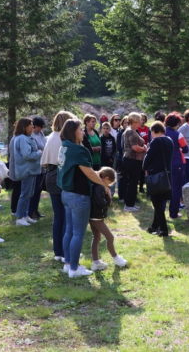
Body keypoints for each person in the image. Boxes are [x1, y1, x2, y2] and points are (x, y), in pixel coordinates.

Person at [57, 119, 110, 278]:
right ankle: (74, 268)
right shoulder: (78, 150)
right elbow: (89, 172)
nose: (83, 132)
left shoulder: (64, 146)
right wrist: (104, 185)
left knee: (69, 231)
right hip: (79, 196)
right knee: (78, 233)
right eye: (81, 129)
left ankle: (68, 264)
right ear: (73, 132)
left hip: (66, 194)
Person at [41, 111, 76, 262]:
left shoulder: (51, 137)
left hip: (50, 175)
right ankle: (64, 251)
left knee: (58, 216)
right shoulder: (62, 138)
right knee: (66, 216)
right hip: (61, 176)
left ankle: (58, 252)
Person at [89, 167, 127, 270]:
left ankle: (96, 262)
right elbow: (102, 204)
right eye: (109, 183)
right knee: (110, 237)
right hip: (96, 217)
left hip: (94, 216)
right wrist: (108, 197)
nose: (109, 185)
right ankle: (116, 258)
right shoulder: (100, 187)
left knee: (97, 238)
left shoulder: (98, 186)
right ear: (106, 178)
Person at [143, 121, 174, 236]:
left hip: (156, 176)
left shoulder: (156, 141)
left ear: (153, 131)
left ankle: (164, 229)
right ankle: (154, 226)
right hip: (167, 175)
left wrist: (144, 166)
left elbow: (148, 158)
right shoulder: (169, 140)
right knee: (160, 202)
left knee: (157, 202)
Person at [12, 118, 42, 226]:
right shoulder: (22, 139)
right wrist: (39, 153)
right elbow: (27, 155)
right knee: (25, 194)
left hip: (32, 170)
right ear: (24, 126)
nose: (32, 127)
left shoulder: (27, 138)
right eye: (30, 125)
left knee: (30, 193)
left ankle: (25, 215)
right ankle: (20, 217)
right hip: (27, 170)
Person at [165, 112, 188, 219]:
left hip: (164, 164)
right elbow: (186, 149)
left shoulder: (161, 132)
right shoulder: (178, 134)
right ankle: (173, 213)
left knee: (164, 188)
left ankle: (160, 212)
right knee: (176, 189)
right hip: (177, 163)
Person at [122, 113, 147, 211]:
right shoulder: (130, 131)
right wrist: (144, 149)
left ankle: (131, 203)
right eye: (139, 120)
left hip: (135, 160)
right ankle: (128, 205)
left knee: (133, 182)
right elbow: (135, 147)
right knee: (132, 182)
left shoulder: (133, 130)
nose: (141, 122)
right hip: (131, 160)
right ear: (135, 121)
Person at [28, 117, 47, 220]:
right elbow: (38, 148)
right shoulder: (31, 136)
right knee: (34, 190)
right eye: (40, 127)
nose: (41, 129)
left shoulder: (41, 134)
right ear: (35, 126)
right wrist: (42, 150)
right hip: (36, 165)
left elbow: (44, 144)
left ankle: (35, 210)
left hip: (42, 164)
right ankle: (30, 211)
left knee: (39, 190)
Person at [116, 116, 129, 202]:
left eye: (128, 123)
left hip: (130, 159)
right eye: (125, 123)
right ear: (122, 124)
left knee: (129, 178)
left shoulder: (134, 132)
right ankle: (121, 196)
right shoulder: (120, 133)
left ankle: (129, 195)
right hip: (122, 158)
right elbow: (119, 147)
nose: (127, 124)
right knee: (122, 177)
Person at [137, 113, 150, 193]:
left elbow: (149, 139)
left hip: (145, 151)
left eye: (144, 120)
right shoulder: (137, 129)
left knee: (143, 169)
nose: (142, 121)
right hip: (138, 150)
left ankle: (142, 187)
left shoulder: (148, 129)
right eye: (141, 119)